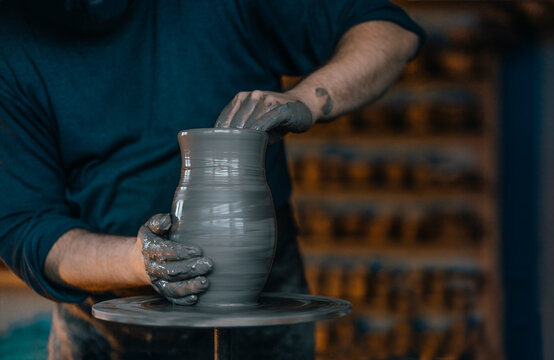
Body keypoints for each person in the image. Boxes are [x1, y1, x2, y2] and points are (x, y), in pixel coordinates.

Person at [0, 0, 423, 359]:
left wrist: (306, 100)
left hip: (264, 301)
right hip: (110, 317)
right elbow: (26, 226)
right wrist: (138, 261)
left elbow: (390, 33)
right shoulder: (13, 37)